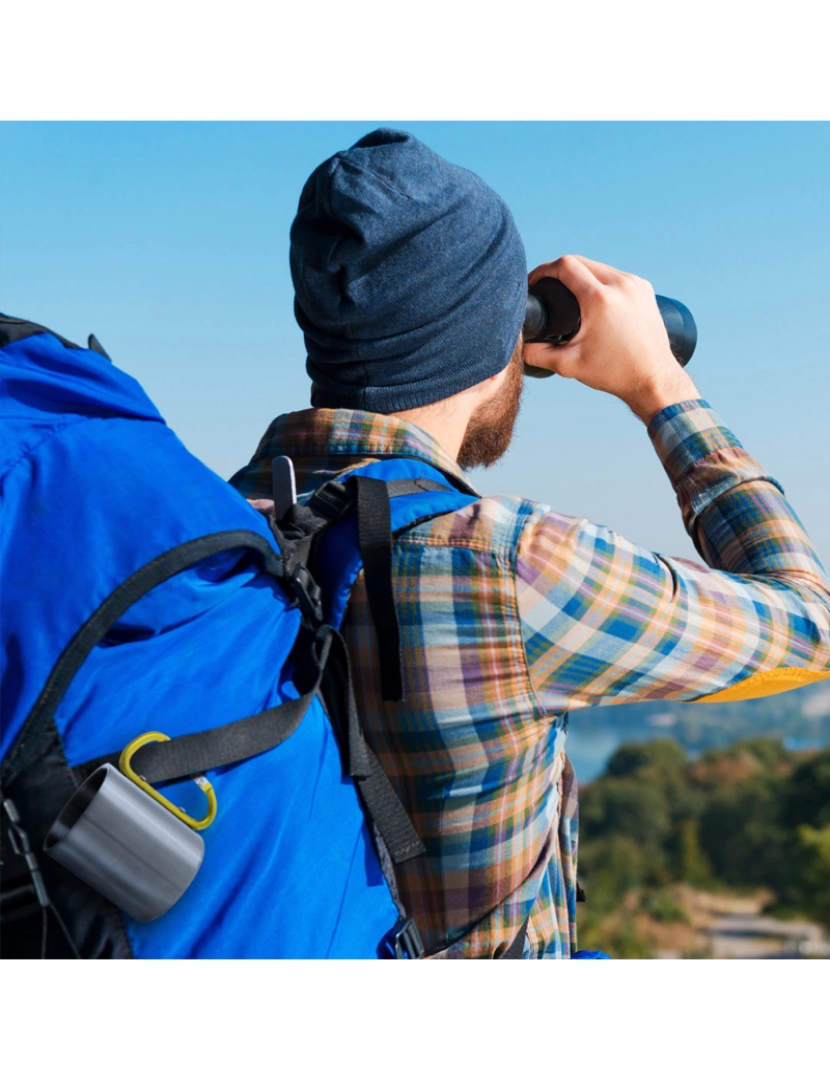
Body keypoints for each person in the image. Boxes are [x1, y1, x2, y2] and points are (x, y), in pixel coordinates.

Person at [231, 128, 830, 959]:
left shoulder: (206, 534)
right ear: (499, 336)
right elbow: (809, 627)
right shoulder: (510, 567)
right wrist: (663, 387)